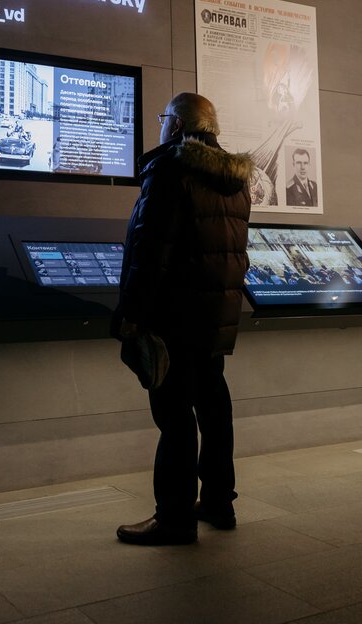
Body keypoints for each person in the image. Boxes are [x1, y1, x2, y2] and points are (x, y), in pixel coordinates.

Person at [111, 92, 253, 546]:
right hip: (214, 318)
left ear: (175, 125)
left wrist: (132, 317)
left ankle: (174, 517)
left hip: (174, 318)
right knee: (214, 408)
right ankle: (218, 502)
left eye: (162, 118)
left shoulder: (171, 170)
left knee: (173, 415)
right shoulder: (235, 180)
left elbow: (150, 252)